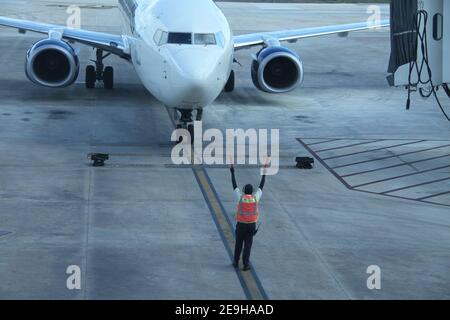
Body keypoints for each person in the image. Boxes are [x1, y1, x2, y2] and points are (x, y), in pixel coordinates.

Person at [230, 163, 267, 271]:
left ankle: (236, 262)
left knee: (238, 244)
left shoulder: (240, 198)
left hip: (241, 225)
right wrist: (264, 174)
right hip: (251, 226)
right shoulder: (255, 198)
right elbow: (261, 186)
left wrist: (232, 172)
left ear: (244, 190)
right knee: (247, 246)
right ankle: (245, 264)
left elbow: (234, 185)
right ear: (252, 191)